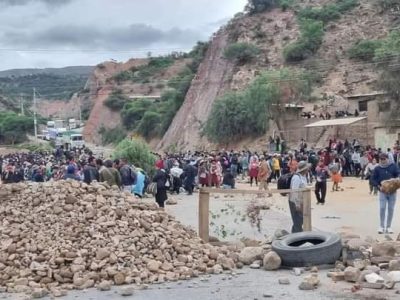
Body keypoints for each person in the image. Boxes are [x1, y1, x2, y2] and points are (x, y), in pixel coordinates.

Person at [371, 153, 400, 234]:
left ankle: (389, 226)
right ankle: (381, 226)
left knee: (391, 209)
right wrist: (378, 186)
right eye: (381, 159)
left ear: (388, 159)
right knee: (382, 208)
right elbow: (373, 179)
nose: (383, 161)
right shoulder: (377, 168)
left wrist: (396, 179)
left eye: (384, 159)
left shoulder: (393, 166)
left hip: (392, 191)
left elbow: (398, 173)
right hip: (382, 191)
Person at [288, 161, 310, 233]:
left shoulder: (303, 177)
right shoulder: (296, 178)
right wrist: (297, 205)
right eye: (307, 168)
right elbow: (294, 192)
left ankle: (294, 236)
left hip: (302, 202)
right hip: (295, 202)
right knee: (297, 222)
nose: (308, 170)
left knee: (300, 221)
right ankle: (296, 238)